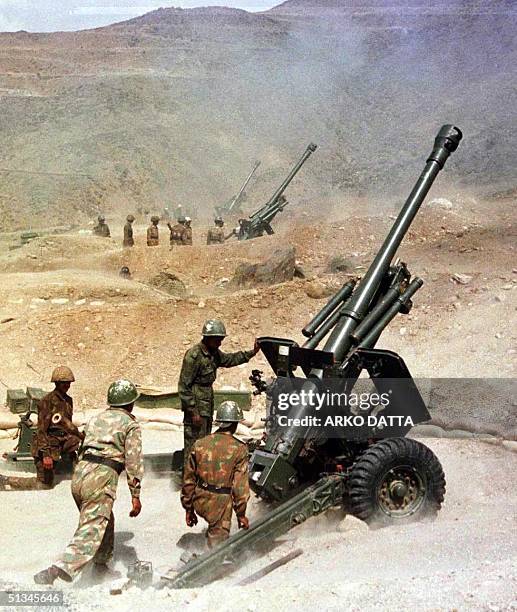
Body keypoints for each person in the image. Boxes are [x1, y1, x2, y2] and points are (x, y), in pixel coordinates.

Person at [33, 379, 144, 585]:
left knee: (104, 520)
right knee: (91, 528)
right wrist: (135, 494)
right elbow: (134, 461)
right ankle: (56, 571)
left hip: (80, 474)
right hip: (102, 476)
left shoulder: (96, 419)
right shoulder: (130, 424)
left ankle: (101, 567)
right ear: (130, 403)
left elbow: (83, 445)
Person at [178, 319, 258, 472]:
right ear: (208, 338)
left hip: (206, 407)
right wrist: (193, 411)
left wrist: (252, 353)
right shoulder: (194, 356)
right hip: (196, 410)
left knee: (204, 444)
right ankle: (188, 482)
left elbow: (229, 360)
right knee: (194, 446)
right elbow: (183, 386)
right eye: (218, 339)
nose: (220, 343)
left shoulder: (213, 353)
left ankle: (200, 478)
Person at [181, 401, 250, 548]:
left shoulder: (200, 444)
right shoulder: (239, 449)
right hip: (220, 504)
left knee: (212, 528)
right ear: (235, 424)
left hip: (199, 500)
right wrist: (241, 514)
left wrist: (188, 508)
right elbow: (240, 488)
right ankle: (209, 569)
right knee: (217, 550)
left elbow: (188, 479)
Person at [30, 366, 84, 487]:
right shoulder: (47, 401)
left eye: (69, 383)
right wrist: (46, 455)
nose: (67, 386)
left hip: (63, 441)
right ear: (57, 383)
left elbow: (68, 426)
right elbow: (42, 430)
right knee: (44, 484)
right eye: (64, 383)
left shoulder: (68, 400)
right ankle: (9, 482)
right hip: (49, 443)